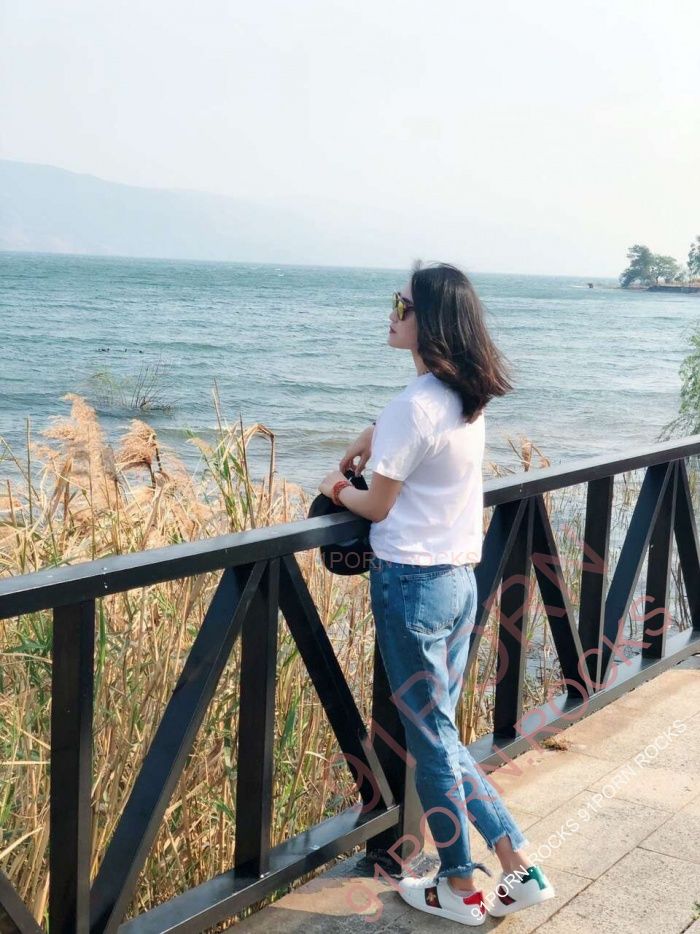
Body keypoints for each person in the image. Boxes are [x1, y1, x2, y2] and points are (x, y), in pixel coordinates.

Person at [318, 262, 555, 925]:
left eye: (402, 305)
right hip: (456, 581)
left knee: (432, 746)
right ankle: (518, 870)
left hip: (412, 588)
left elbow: (376, 505)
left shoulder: (414, 406)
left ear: (432, 321)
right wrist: (372, 435)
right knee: (441, 736)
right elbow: (414, 447)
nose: (391, 313)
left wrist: (333, 486)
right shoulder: (462, 400)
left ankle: (460, 886)